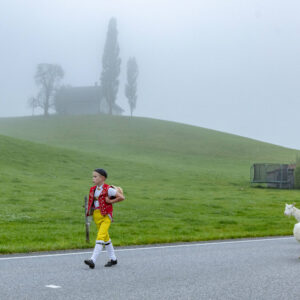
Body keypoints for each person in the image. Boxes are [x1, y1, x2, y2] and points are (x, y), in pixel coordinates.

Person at [84, 168, 125, 269]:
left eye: (95, 176)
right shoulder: (92, 189)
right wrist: (89, 211)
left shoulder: (108, 189)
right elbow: (93, 202)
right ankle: (113, 259)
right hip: (96, 215)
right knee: (106, 238)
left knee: (100, 236)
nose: (93, 178)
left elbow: (122, 197)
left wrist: (110, 202)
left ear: (102, 178)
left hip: (106, 216)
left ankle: (92, 260)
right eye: (93, 176)